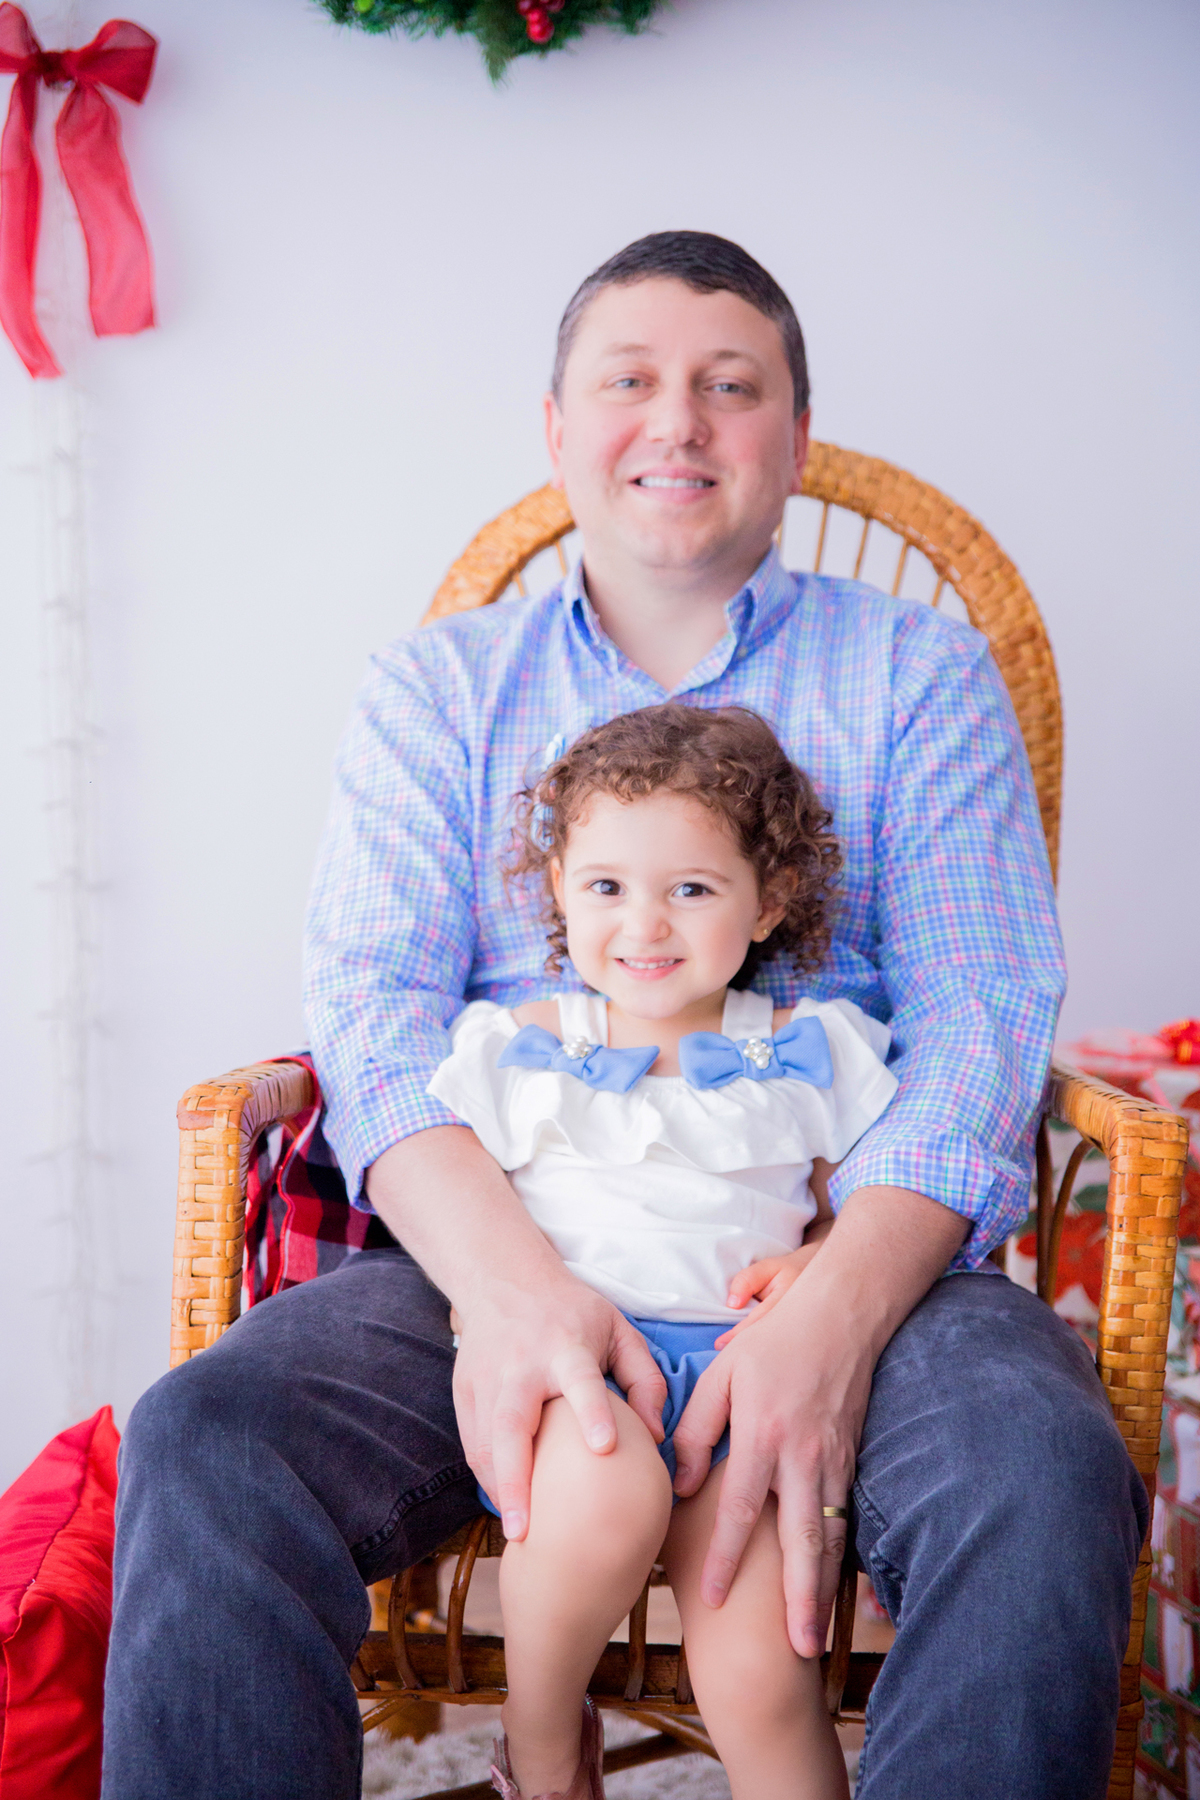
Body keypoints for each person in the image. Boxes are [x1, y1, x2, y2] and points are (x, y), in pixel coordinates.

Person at [103, 231, 1147, 1800]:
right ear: (557, 429)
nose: (679, 423)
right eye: (631, 382)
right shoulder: (437, 689)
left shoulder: (920, 671)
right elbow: (373, 1018)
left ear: (795, 438)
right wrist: (514, 1293)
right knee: (207, 1438)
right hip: (487, 1240)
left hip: (830, 1239)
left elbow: (986, 1010)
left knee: (1043, 1465)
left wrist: (832, 1310)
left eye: (733, 388)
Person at [431, 702, 896, 1800]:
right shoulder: (519, 1047)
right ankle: (543, 1736)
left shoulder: (808, 1051)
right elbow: (461, 1209)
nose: (645, 924)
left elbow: (856, 1206)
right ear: (557, 892)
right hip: (578, 1371)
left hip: (748, 1382)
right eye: (606, 887)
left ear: (768, 901)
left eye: (690, 888)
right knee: (600, 1498)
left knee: (764, 1671)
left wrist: (816, 1258)